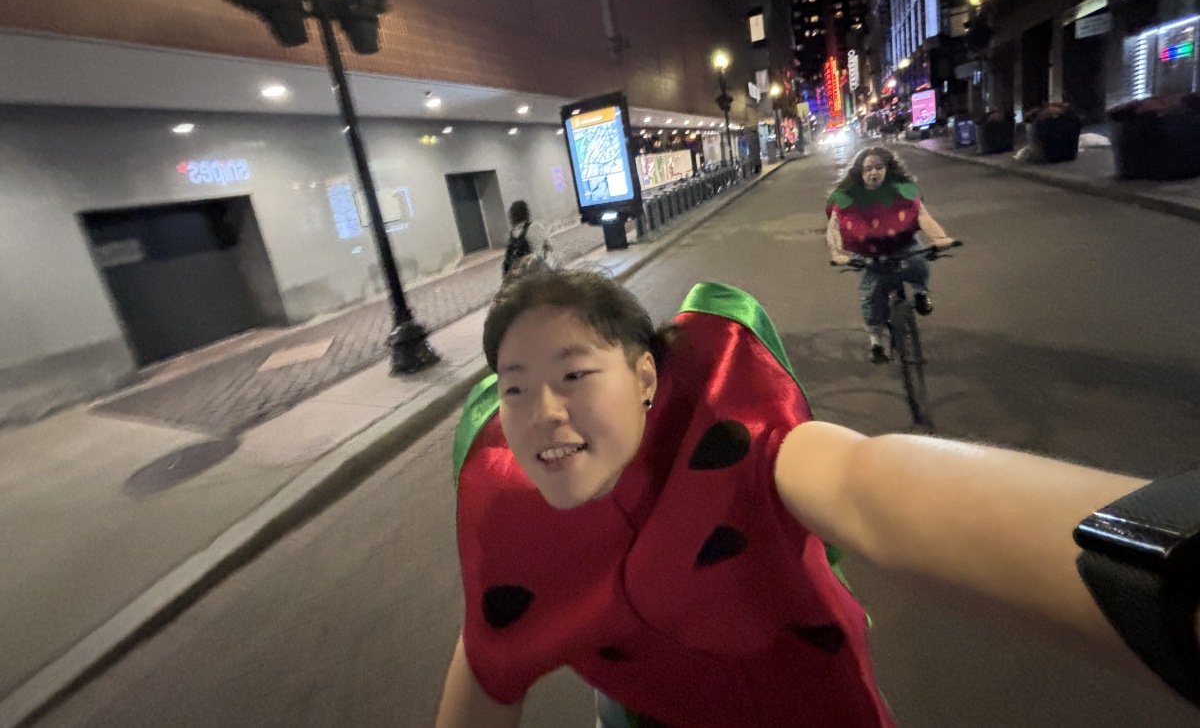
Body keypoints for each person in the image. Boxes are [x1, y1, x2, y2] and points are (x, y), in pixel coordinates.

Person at [435, 269, 1198, 728]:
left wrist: (1167, 575)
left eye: (574, 375)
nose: (545, 413)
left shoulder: (735, 433)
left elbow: (868, 487)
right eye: (515, 388)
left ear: (644, 378)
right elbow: (488, 650)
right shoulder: (509, 505)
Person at [826, 146, 955, 362]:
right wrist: (837, 253)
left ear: (888, 169)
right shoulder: (847, 197)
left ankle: (920, 293)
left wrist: (940, 239)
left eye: (878, 167)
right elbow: (835, 226)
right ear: (860, 173)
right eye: (868, 169)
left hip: (901, 245)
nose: (873, 173)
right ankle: (876, 342)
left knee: (918, 262)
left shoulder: (902, 190)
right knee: (872, 296)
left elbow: (922, 215)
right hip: (867, 252)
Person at [501, 200, 551, 279]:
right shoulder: (535, 227)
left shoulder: (512, 234)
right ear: (527, 213)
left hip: (515, 278)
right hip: (534, 275)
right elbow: (545, 250)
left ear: (512, 217)